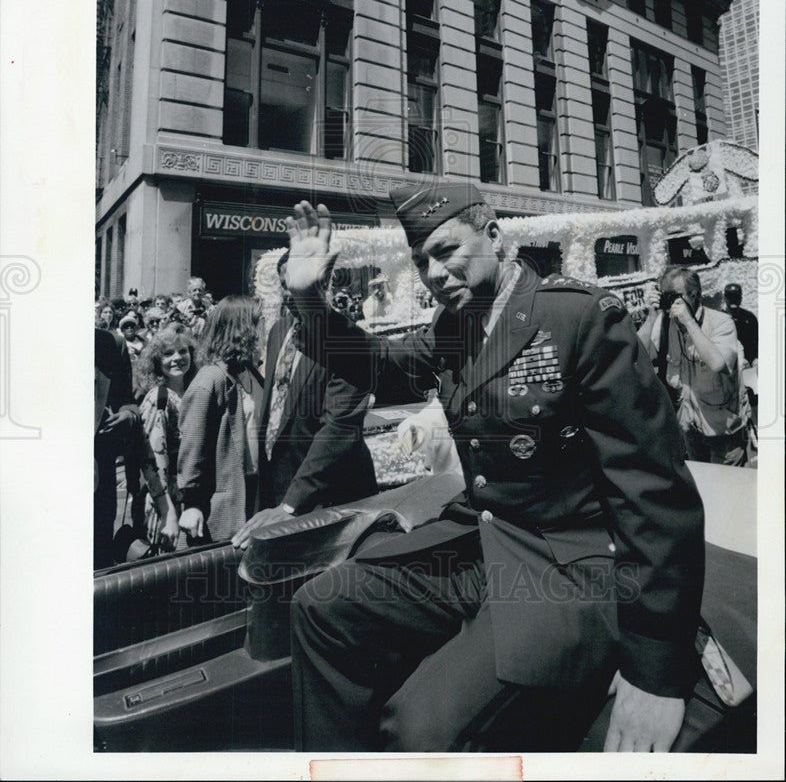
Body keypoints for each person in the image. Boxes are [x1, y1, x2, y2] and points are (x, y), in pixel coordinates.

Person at [281, 185, 704, 753]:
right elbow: (378, 368)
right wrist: (308, 301)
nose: (434, 272)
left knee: (418, 727)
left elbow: (655, 494)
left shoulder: (579, 317)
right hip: (483, 544)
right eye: (422, 260)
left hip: (564, 570)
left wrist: (656, 672)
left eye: (447, 250)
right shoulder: (455, 326)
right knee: (320, 608)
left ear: (496, 237)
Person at [232, 253, 377, 547]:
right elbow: (275, 413)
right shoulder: (278, 332)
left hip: (328, 501)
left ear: (325, 284)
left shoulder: (348, 342)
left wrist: (291, 505)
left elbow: (337, 432)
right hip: (278, 492)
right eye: (285, 284)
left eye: (298, 286)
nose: (289, 293)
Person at [639, 267, 748, 466]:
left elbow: (717, 363)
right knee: (703, 489)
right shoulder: (665, 325)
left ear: (694, 294)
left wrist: (688, 321)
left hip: (723, 430)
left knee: (728, 492)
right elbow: (637, 356)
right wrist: (652, 315)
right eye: (666, 296)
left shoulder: (722, 322)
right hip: (690, 428)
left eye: (675, 296)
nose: (670, 302)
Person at [177, 295, 265, 543]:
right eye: (258, 322)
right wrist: (191, 503)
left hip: (255, 491)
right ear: (242, 329)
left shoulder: (250, 371)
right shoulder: (210, 379)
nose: (263, 330)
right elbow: (193, 445)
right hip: (225, 502)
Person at [136, 323, 201, 550]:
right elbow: (152, 461)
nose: (177, 358)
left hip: (188, 502)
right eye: (167, 353)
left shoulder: (192, 392)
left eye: (183, 351)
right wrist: (168, 513)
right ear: (156, 360)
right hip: (165, 504)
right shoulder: (159, 398)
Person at [95, 328, 142, 568]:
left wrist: (128, 415)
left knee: (98, 551)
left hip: (99, 472)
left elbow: (126, 398)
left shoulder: (112, 344)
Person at [723, 283, 758, 367]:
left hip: (751, 365)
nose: (733, 300)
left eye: (736, 297)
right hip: (729, 365)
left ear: (741, 298)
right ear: (724, 298)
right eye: (730, 297)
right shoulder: (719, 319)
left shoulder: (750, 317)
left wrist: (756, 358)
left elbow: (757, 340)